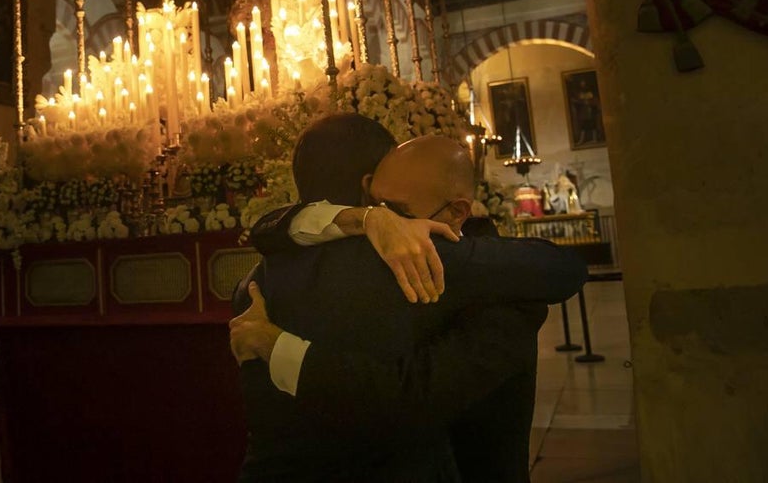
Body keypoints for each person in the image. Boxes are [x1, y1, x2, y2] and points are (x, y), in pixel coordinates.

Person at [231, 115, 586, 481]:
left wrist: (276, 347)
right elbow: (564, 268)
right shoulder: (425, 260)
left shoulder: (253, 284)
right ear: (368, 185)